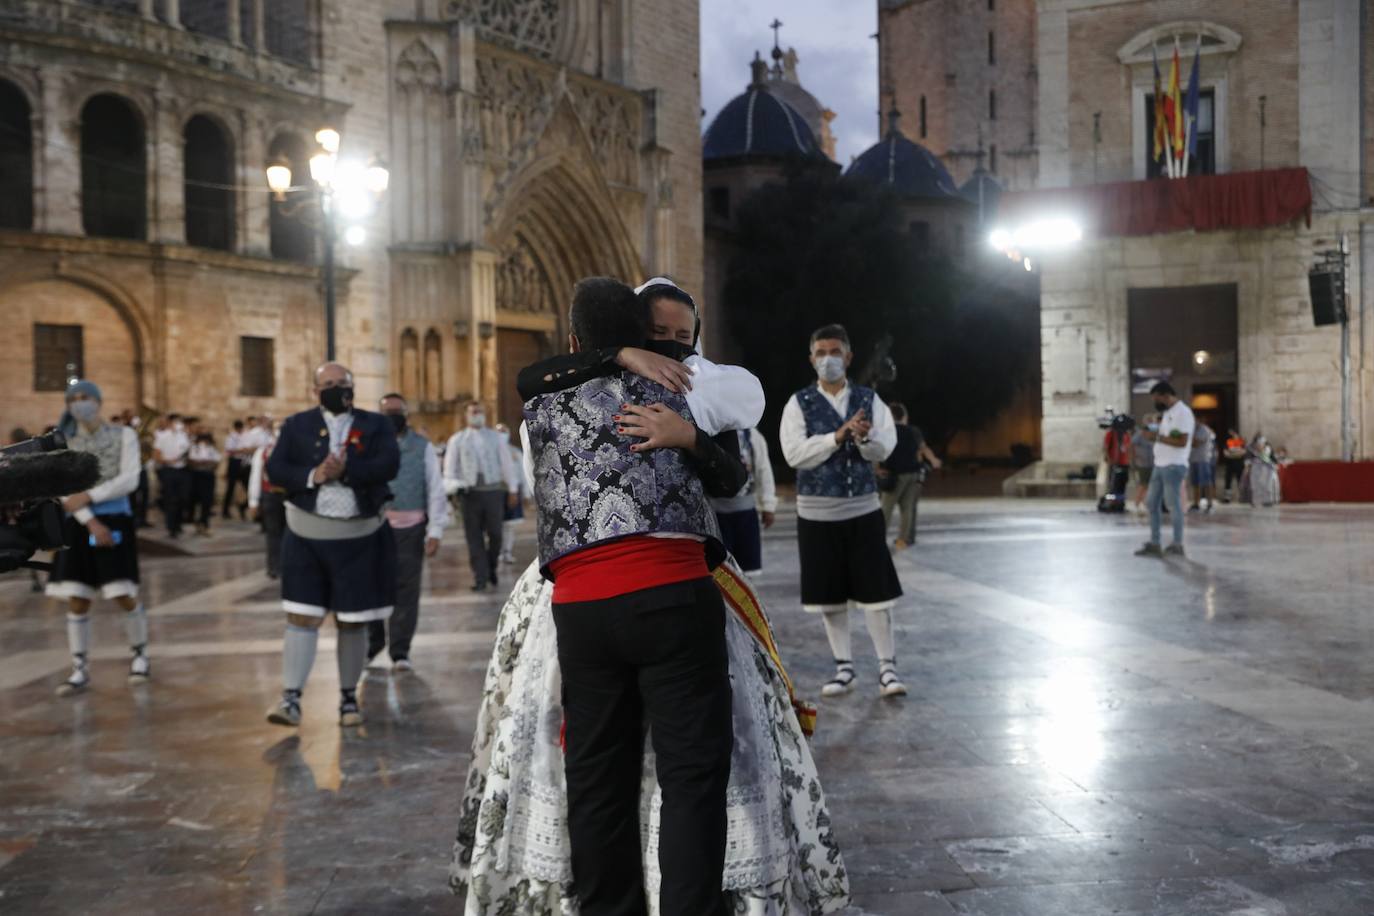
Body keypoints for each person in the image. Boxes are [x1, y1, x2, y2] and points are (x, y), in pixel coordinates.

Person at [520, 277, 765, 916]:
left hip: (580, 607)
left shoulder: (540, 401)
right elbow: (744, 441)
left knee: (597, 779)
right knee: (691, 777)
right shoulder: (683, 387)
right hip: (671, 591)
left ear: (573, 340)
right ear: (641, 337)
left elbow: (531, 376)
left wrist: (609, 357)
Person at [264, 362, 400, 728]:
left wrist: (347, 471)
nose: (336, 388)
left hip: (358, 537)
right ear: (315, 391)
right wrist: (314, 475)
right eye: (328, 384)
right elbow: (276, 469)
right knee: (302, 616)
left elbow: (389, 464)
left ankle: (347, 700)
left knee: (352, 622)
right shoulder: (297, 425)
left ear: (353, 388)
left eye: (342, 383)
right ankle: (290, 699)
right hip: (306, 537)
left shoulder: (377, 424)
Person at [781, 324, 905, 700]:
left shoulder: (869, 399)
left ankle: (887, 669)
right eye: (821, 353)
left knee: (876, 593)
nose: (828, 359)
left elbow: (885, 448)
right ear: (811, 359)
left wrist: (865, 437)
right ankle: (844, 668)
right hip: (817, 514)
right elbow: (794, 454)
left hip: (862, 509)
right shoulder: (798, 403)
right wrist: (836, 437)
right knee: (828, 595)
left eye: (835, 352)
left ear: (848, 357)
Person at [46, 380, 150, 696]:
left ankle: (140, 656)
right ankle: (79, 667)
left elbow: (129, 478)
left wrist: (91, 495)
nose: (81, 403)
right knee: (78, 597)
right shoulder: (63, 442)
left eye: (86, 397)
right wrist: (89, 520)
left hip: (114, 519)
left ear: (98, 400)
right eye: (74, 398)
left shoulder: (124, 435)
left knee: (121, 591)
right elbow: (63, 488)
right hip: (79, 525)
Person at [367, 393, 449, 672]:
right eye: (386, 411)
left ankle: (400, 651)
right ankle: (372, 643)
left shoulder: (422, 447)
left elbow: (435, 488)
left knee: (406, 589)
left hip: (411, 529)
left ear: (405, 414)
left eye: (396, 411)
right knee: (371, 587)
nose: (392, 416)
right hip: (374, 527)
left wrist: (435, 529)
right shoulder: (370, 445)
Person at [444, 402, 517, 592]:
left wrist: (513, 489)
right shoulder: (457, 440)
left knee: (496, 534)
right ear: (467, 415)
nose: (476, 414)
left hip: (493, 491)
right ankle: (480, 576)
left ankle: (491, 565)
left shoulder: (495, 438)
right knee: (474, 537)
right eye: (473, 412)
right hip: (470, 494)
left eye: (479, 411)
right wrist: (455, 487)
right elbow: (449, 472)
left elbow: (507, 464)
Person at [1135, 382, 1195, 558]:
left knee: (1173, 505)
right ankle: (1155, 543)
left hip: (1174, 465)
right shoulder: (1168, 413)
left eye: (1156, 398)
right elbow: (1166, 437)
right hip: (1160, 464)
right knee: (1152, 503)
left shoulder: (1183, 413)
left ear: (1166, 395)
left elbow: (1182, 441)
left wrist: (1156, 437)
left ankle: (1178, 544)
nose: (1155, 402)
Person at [708, 427, 776, 576]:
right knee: (721, 570)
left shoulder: (751, 435)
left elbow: (763, 469)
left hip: (746, 514)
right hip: (716, 515)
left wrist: (768, 505)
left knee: (747, 570)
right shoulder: (708, 431)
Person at [880, 402, 941, 549]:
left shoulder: (887, 431)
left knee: (886, 508)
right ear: (904, 416)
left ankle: (879, 538)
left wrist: (877, 469)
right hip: (913, 474)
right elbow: (923, 448)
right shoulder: (914, 431)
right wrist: (933, 460)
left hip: (895, 475)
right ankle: (904, 539)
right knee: (907, 508)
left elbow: (879, 452)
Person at [247, 422, 286, 579]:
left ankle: (285, 565)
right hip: (271, 494)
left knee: (289, 534)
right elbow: (255, 477)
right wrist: (254, 501)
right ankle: (274, 567)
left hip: (290, 496)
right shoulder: (263, 452)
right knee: (273, 533)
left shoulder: (295, 451)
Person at [153, 413, 191, 538]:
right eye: (176, 422)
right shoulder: (162, 437)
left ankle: (178, 523)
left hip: (183, 470)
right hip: (169, 470)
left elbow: (187, 449)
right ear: (170, 423)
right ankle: (171, 527)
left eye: (179, 422)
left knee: (183, 498)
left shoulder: (184, 436)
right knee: (171, 499)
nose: (178, 425)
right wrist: (169, 461)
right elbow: (157, 455)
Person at [493, 422, 526, 566]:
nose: (501, 434)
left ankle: (507, 552)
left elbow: (522, 473)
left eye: (503, 431)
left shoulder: (515, 452)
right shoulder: (490, 451)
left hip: (512, 490)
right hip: (496, 490)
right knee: (495, 524)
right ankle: (497, 551)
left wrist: (525, 493)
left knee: (510, 525)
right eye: (498, 431)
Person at [188, 426, 222, 536]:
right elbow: (192, 461)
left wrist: (205, 463)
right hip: (197, 476)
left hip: (208, 476)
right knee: (195, 499)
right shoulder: (194, 448)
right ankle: (196, 520)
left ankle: (204, 523)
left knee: (207, 501)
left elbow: (216, 462)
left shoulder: (212, 449)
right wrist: (204, 463)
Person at [222, 419, 252, 519]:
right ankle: (225, 510)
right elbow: (229, 451)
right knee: (231, 487)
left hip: (243, 463)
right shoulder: (231, 437)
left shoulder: (244, 436)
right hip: (234, 462)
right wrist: (241, 450)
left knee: (248, 487)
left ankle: (243, 506)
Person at [1189, 419, 1217, 513]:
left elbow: (1196, 443)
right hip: (1193, 459)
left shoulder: (1204, 430)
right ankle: (1196, 504)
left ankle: (1210, 504)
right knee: (1195, 483)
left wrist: (1186, 438)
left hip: (1203, 460)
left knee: (1206, 482)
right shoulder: (1192, 429)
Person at [1131, 413, 1156, 513]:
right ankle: (1137, 503)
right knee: (1143, 484)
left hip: (1153, 463)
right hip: (1143, 463)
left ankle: (1145, 503)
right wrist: (1134, 458)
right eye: (1148, 421)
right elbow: (1132, 445)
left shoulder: (1155, 433)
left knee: (1149, 485)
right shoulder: (1140, 434)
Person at [1221, 429, 1247, 503]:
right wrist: (1237, 454)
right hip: (1230, 464)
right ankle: (1227, 498)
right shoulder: (1228, 441)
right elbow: (1226, 453)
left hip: (1239, 464)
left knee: (1240, 481)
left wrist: (1232, 453)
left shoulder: (1241, 441)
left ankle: (1242, 497)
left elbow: (1243, 452)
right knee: (1228, 481)